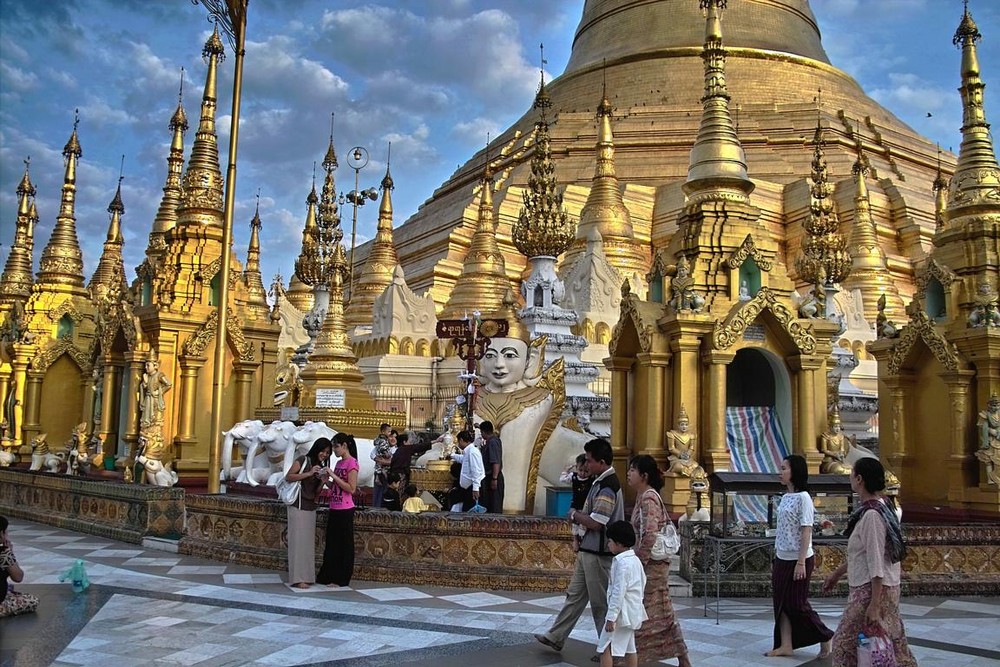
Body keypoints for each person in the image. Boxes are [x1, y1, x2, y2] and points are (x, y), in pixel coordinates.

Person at [535, 437, 625, 661]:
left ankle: (608, 648)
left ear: (602, 462)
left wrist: (574, 515)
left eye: (590, 461)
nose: (586, 465)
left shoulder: (608, 486)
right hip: (588, 549)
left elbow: (597, 521)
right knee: (574, 596)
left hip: (599, 552)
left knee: (599, 603)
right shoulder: (598, 481)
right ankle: (556, 636)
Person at [824, 457, 915, 667]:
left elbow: (875, 563)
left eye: (851, 475)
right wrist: (838, 573)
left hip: (872, 591)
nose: (850, 479)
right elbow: (866, 554)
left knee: (844, 644)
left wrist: (874, 605)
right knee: (892, 642)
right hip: (882, 587)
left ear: (859, 479)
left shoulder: (873, 515)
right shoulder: (883, 507)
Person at [767, 454, 834, 658]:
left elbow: (806, 529)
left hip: (799, 557)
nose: (781, 472)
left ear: (794, 472)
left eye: (785, 468)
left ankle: (825, 635)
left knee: (797, 603)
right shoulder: (786, 497)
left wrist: (801, 561)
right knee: (781, 603)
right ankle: (786, 644)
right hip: (782, 556)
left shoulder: (804, 497)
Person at [627, 455, 691, 666]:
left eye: (633, 470)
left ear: (644, 476)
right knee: (660, 610)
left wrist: (640, 561)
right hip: (648, 564)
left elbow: (650, 533)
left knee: (648, 608)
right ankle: (679, 656)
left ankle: (632, 655)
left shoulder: (649, 499)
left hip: (651, 566)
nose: (628, 474)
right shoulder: (641, 496)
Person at [283, 437, 332, 589]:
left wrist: (323, 481)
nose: (324, 455)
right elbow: (289, 476)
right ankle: (297, 578)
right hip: (298, 504)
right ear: (317, 449)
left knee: (307, 543)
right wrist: (309, 473)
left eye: (327, 453)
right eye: (323, 451)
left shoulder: (320, 467)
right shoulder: (303, 460)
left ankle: (307, 576)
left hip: (310, 506)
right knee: (297, 542)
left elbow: (315, 492)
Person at [597, 521, 647, 667]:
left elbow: (618, 593)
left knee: (604, 647)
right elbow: (642, 582)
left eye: (610, 541)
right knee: (630, 647)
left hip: (621, 615)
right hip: (632, 612)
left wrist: (611, 618)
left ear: (619, 543)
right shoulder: (635, 561)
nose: (608, 544)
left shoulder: (622, 564)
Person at [317, 433, 359, 588]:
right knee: (332, 544)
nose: (334, 450)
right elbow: (336, 486)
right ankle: (328, 575)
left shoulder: (351, 463)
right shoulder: (339, 464)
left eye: (336, 446)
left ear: (344, 446)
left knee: (343, 545)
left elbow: (351, 488)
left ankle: (341, 577)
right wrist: (325, 480)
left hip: (345, 508)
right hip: (334, 506)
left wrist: (333, 475)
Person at [1, 515, 38, 618]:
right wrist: (9, 553)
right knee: (31, 600)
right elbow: (18, 577)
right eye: (6, 533)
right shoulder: (3, 553)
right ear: (1, 534)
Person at [560, 453, 593, 550]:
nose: (583, 473)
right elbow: (562, 479)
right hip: (575, 503)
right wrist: (566, 471)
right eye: (580, 470)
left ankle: (582, 540)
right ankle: (575, 539)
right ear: (576, 468)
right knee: (574, 522)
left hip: (586, 505)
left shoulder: (593, 480)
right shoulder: (573, 477)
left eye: (586, 471)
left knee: (583, 523)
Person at [450, 429, 485, 511]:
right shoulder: (468, 451)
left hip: (472, 487)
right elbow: (463, 460)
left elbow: (475, 471)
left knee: (470, 511)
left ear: (461, 440)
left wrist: (475, 488)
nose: (458, 444)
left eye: (458, 442)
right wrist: (452, 455)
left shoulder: (472, 452)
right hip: (468, 488)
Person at [479, 421, 504, 513]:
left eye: (481, 432)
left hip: (493, 477)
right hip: (488, 477)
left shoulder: (493, 442)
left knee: (494, 505)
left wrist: (494, 479)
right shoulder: (490, 441)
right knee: (488, 504)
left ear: (484, 432)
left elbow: (495, 462)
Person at [139, 359, 172, 427]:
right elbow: (145, 387)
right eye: (145, 365)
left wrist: (158, 392)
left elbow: (168, 384)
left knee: (156, 419)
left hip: (155, 401)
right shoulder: (147, 376)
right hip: (148, 400)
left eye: (148, 365)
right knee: (146, 418)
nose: (146, 367)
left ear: (155, 366)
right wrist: (145, 383)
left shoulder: (159, 375)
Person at [370, 423, 393, 507]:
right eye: (389, 431)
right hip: (383, 467)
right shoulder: (383, 441)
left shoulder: (379, 440)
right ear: (383, 432)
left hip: (380, 468)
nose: (390, 433)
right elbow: (383, 450)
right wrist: (387, 454)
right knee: (381, 490)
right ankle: (378, 507)